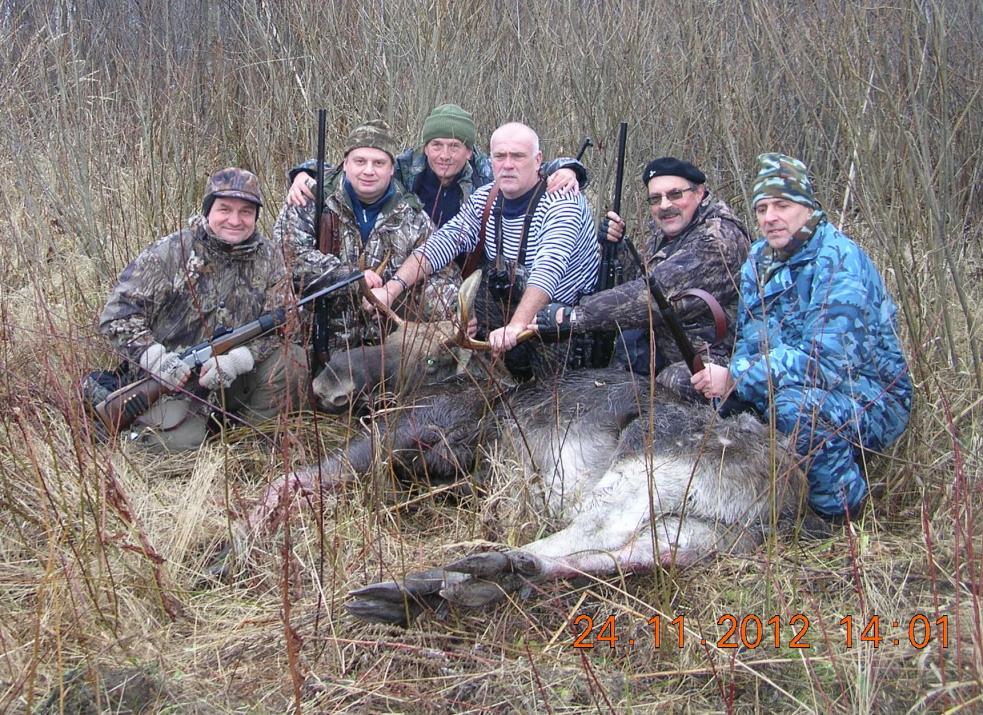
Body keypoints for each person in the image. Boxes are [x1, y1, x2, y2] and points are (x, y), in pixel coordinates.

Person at [691, 153, 912, 518]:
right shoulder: (760, 259)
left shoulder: (838, 261)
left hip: (867, 395)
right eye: (761, 208)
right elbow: (750, 340)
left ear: (807, 207)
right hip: (788, 382)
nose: (770, 217)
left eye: (782, 205)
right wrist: (730, 386)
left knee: (796, 409)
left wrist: (737, 377)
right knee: (715, 407)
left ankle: (838, 510)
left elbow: (824, 364)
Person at [92, 168, 309, 452]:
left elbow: (286, 323)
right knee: (174, 451)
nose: (235, 220)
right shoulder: (170, 252)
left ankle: (250, 444)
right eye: (224, 209)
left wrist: (240, 359)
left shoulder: (269, 257)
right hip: (171, 381)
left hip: (231, 377)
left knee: (293, 359)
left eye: (245, 212)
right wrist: (156, 359)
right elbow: (117, 314)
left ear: (256, 216)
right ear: (208, 210)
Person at [371, 122, 599, 379]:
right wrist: (392, 288)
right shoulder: (485, 198)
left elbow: (548, 269)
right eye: (500, 156)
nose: (508, 165)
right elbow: (441, 243)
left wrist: (515, 327)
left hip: (560, 319)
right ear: (490, 160)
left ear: (538, 161)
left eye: (518, 156)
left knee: (550, 392)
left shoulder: (563, 202)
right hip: (507, 305)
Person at [532, 157, 751, 402]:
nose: (665, 205)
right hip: (657, 348)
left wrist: (575, 316)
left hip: (713, 358)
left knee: (673, 384)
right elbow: (639, 278)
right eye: (655, 199)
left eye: (675, 194)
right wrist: (618, 248)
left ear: (699, 192)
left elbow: (654, 297)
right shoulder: (667, 230)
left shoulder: (719, 238)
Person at [283, 104, 588, 261]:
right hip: (412, 260)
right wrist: (304, 174)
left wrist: (568, 169)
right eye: (437, 145)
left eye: (454, 146)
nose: (444, 155)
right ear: (425, 147)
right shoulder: (404, 166)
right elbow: (354, 167)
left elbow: (525, 166)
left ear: (469, 151)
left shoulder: (485, 172)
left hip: (467, 269)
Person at [272, 119, 458, 354]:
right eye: (360, 161)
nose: (368, 171)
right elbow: (287, 261)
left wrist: (454, 311)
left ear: (392, 168)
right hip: (314, 344)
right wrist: (352, 278)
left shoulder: (414, 218)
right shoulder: (308, 201)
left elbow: (441, 273)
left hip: (386, 350)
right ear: (345, 163)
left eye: (379, 163)